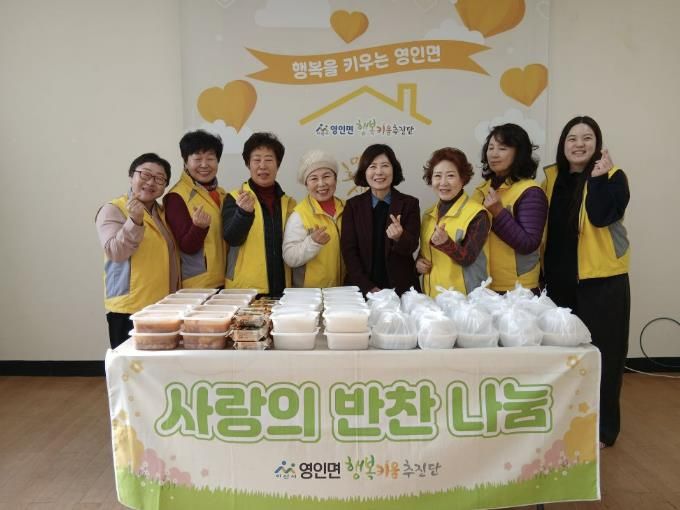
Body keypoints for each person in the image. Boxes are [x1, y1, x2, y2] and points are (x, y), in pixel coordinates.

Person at [542, 115, 630, 448]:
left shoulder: (614, 177)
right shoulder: (551, 178)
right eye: (572, 138)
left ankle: (603, 429)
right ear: (563, 144)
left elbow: (601, 215)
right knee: (562, 357)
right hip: (558, 282)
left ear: (598, 143)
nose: (579, 144)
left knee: (604, 356)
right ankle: (565, 422)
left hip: (602, 282)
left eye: (587, 138)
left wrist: (599, 179)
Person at [95, 153, 180, 348]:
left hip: (161, 305)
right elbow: (115, 252)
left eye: (159, 179)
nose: (151, 182)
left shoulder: (161, 213)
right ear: (131, 176)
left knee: (159, 362)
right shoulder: (113, 209)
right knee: (131, 364)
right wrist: (134, 221)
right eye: (145, 175)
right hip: (129, 308)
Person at [472, 123, 547, 293]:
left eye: (502, 148)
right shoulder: (481, 190)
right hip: (483, 285)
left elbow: (528, 243)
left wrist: (498, 213)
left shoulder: (530, 191)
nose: (494, 154)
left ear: (519, 153)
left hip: (518, 290)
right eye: (491, 148)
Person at [221, 132, 295, 296]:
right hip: (245, 291)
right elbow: (231, 238)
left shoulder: (289, 203)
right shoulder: (235, 197)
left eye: (269, 160)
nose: (262, 166)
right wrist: (243, 214)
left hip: (283, 290)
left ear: (278, 164)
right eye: (256, 160)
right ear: (248, 164)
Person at [341, 144, 420, 295]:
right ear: (364, 171)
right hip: (361, 289)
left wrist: (400, 237)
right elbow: (349, 252)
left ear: (393, 169)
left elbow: (412, 246)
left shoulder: (410, 203)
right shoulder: (353, 206)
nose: (379, 172)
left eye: (385, 165)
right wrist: (368, 287)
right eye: (372, 166)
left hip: (401, 290)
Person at [416, 148, 491, 296]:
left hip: (466, 301)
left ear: (463, 179)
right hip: (432, 298)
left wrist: (446, 243)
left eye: (450, 175)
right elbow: (425, 252)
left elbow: (468, 258)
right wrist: (418, 263)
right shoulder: (428, 214)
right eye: (437, 176)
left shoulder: (477, 214)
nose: (443, 182)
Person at [164, 130, 226, 289]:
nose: (204, 165)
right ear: (185, 162)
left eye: (210, 158)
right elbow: (186, 246)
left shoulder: (222, 194)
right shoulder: (176, 196)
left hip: (225, 283)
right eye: (197, 159)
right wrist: (199, 227)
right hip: (197, 288)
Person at [283, 149, 344, 288]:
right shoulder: (299, 215)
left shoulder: (347, 209)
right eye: (314, 178)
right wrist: (312, 242)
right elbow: (290, 257)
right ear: (306, 184)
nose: (321, 184)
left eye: (326, 176)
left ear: (335, 179)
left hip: (342, 292)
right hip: (310, 294)